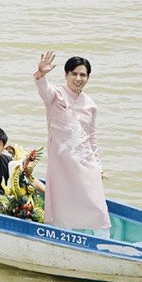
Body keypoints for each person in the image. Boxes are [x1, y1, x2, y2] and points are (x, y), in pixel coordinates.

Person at [34, 50, 110, 237]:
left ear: (88, 78)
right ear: (66, 75)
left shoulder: (90, 105)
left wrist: (98, 166)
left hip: (85, 162)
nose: (78, 78)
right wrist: (41, 74)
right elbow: (44, 88)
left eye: (83, 75)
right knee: (63, 205)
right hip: (62, 163)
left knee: (95, 205)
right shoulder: (55, 96)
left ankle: (102, 241)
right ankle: (62, 239)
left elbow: (91, 137)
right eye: (74, 74)